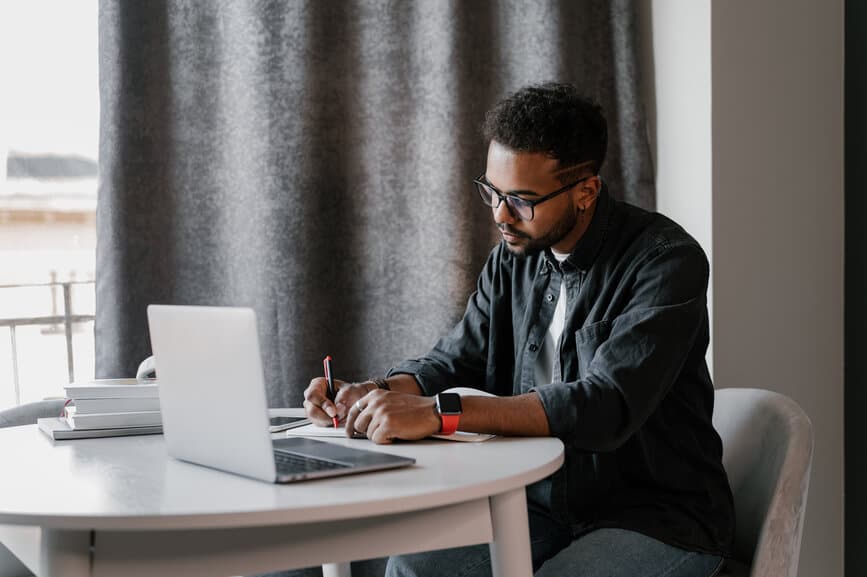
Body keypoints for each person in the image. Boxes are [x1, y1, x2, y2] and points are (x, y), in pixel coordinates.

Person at [303, 82, 734, 577]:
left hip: (654, 517)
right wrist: (374, 393)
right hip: (540, 503)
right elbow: (455, 360)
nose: (501, 216)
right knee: (413, 569)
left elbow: (604, 404)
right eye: (492, 192)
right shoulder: (514, 260)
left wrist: (443, 415)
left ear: (586, 191)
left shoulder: (666, 262)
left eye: (521, 201)